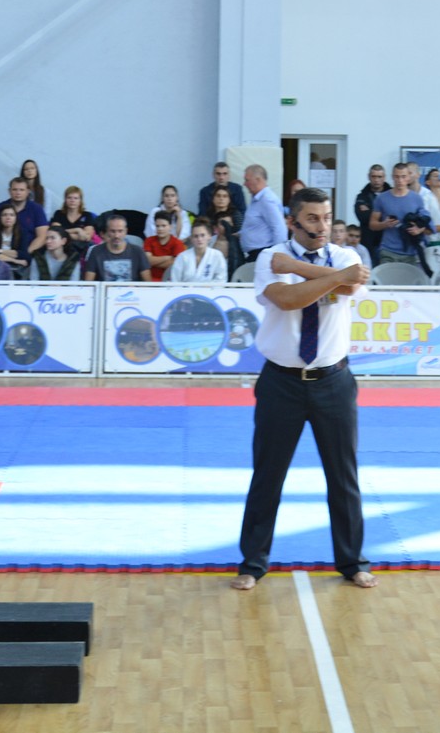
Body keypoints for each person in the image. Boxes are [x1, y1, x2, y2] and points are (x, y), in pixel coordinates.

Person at [231, 186, 374, 592]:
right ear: (292, 221)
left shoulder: (344, 257)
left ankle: (352, 561)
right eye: (312, 218)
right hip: (281, 382)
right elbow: (287, 299)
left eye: (326, 217)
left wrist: (300, 268)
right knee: (268, 475)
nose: (322, 225)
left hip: (334, 381)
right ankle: (253, 562)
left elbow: (351, 286)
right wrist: (333, 279)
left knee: (343, 477)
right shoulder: (268, 258)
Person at [370, 163, 432, 268]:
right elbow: (372, 224)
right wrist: (384, 224)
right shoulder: (382, 198)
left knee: (408, 279)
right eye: (397, 177)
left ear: (408, 177)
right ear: (392, 177)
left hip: (410, 252)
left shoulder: (417, 199)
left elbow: (427, 224)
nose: (400, 180)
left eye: (403, 177)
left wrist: (419, 229)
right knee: (386, 278)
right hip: (388, 250)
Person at [0, 177, 49, 256]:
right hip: (0, 255)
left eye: (22, 190)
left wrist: (24, 254)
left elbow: (42, 236)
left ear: (28, 191)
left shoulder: (37, 209)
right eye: (15, 189)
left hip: (30, 254)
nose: (18, 193)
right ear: (9, 191)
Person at [82, 212, 151, 282]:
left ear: (126, 231)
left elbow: (148, 284)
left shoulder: (137, 251)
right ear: (107, 231)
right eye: (113, 231)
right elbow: (88, 283)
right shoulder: (96, 251)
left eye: (120, 231)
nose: (116, 235)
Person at [240, 165, 288, 264]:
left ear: (258, 180)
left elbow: (279, 228)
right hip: (255, 254)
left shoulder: (267, 199)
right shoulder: (257, 199)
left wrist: (277, 256)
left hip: (263, 254)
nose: (244, 184)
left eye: (247, 180)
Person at [168, 219, 228, 283]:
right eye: (195, 236)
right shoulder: (182, 257)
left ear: (209, 236)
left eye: (202, 235)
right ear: (191, 238)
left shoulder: (217, 255)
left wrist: (207, 288)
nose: (199, 239)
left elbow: (221, 279)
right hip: (185, 289)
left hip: (209, 289)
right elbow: (175, 280)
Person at [352, 164, 389, 265]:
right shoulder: (362, 196)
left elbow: (394, 216)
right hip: (368, 243)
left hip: (387, 243)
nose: (376, 180)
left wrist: (370, 211)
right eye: (374, 176)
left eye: (379, 177)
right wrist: (383, 213)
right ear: (369, 177)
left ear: (384, 177)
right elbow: (362, 217)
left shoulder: (392, 194)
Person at [202, 183, 243, 272]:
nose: (221, 199)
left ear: (229, 200)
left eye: (225, 196)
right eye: (218, 196)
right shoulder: (207, 216)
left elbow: (239, 233)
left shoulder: (236, 215)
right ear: (213, 199)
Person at [0, 204, 29, 279]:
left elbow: (24, 255)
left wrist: (0, 251)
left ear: (16, 218)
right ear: (0, 218)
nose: (8, 218)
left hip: (17, 269)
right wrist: (15, 260)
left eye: (11, 215)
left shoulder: (22, 232)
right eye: (4, 215)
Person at [144, 210, 185, 282]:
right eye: (157, 226)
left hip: (171, 282)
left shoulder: (178, 243)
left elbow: (176, 265)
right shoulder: (149, 241)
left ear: (170, 227)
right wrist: (167, 258)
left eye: (163, 226)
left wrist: (153, 262)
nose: (160, 229)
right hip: (150, 282)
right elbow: (147, 261)